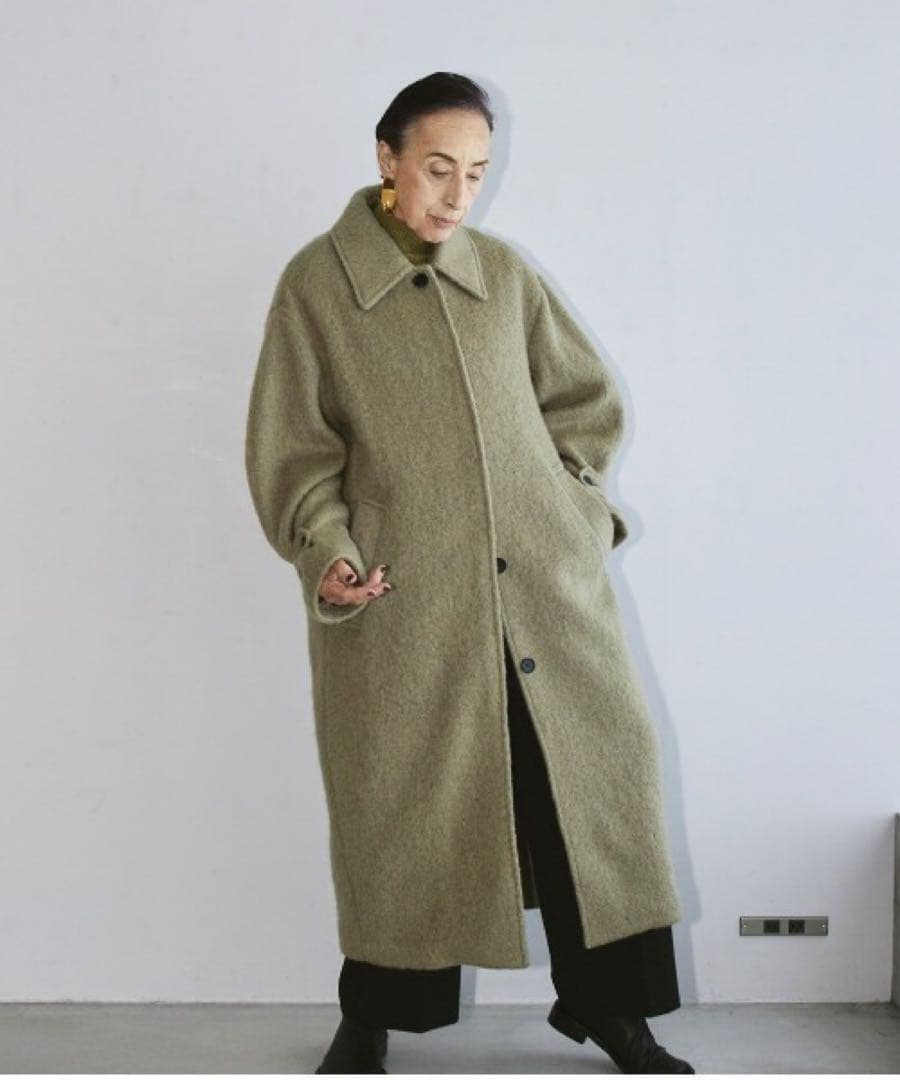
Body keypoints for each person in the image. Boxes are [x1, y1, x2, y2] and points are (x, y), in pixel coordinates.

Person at [245, 71, 694, 1075]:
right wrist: (330, 553)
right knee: (401, 815)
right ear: (388, 158)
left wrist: (578, 511)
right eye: (438, 168)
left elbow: (583, 402)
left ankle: (614, 1011)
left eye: (477, 173)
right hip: (409, 607)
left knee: (594, 799)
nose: (457, 195)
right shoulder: (318, 287)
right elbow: (296, 453)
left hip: (547, 595)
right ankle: (371, 1018)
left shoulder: (503, 274)